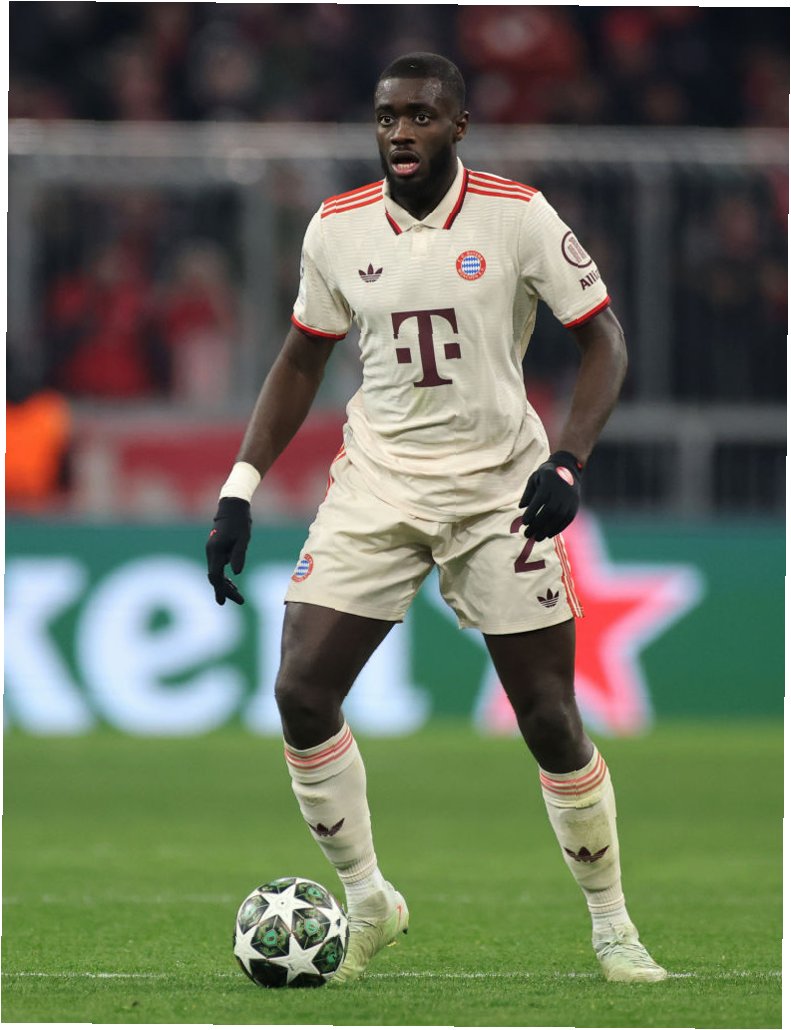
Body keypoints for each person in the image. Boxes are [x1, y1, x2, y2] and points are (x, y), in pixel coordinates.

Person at [206, 52, 666, 986]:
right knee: (300, 692)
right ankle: (368, 898)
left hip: (499, 491)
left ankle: (613, 927)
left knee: (548, 717)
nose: (400, 133)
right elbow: (301, 359)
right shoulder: (337, 228)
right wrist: (240, 486)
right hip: (378, 486)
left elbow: (604, 341)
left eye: (419, 116)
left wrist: (567, 460)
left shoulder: (517, 216)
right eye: (387, 117)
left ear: (458, 125)